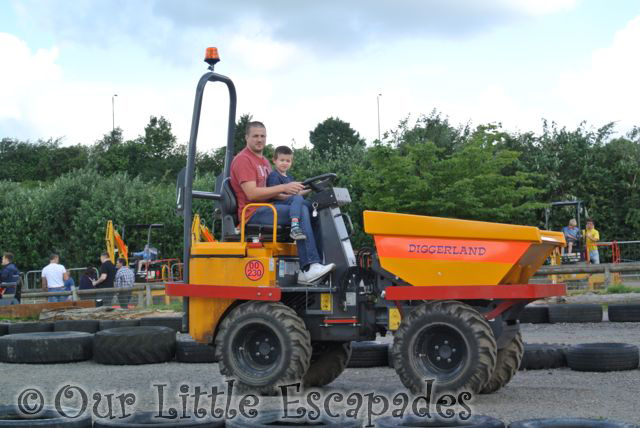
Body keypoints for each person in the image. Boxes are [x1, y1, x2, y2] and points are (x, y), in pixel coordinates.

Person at [230, 121, 334, 285]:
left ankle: (318, 262)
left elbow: (274, 192)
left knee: (313, 208)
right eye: (255, 136)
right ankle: (308, 267)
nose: (259, 139)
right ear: (246, 137)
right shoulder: (243, 160)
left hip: (269, 207)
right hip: (253, 212)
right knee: (302, 211)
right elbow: (252, 194)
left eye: (262, 136)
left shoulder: (264, 161)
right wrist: (285, 187)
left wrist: (301, 190)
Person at [266, 145, 311, 241]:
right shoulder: (274, 176)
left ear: (291, 162)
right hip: (277, 203)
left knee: (311, 204)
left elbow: (296, 193)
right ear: (274, 160)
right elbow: (274, 194)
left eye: (288, 161)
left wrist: (311, 188)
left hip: (289, 201)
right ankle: (294, 226)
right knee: (299, 199)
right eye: (282, 160)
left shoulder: (289, 177)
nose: (285, 163)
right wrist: (292, 197)